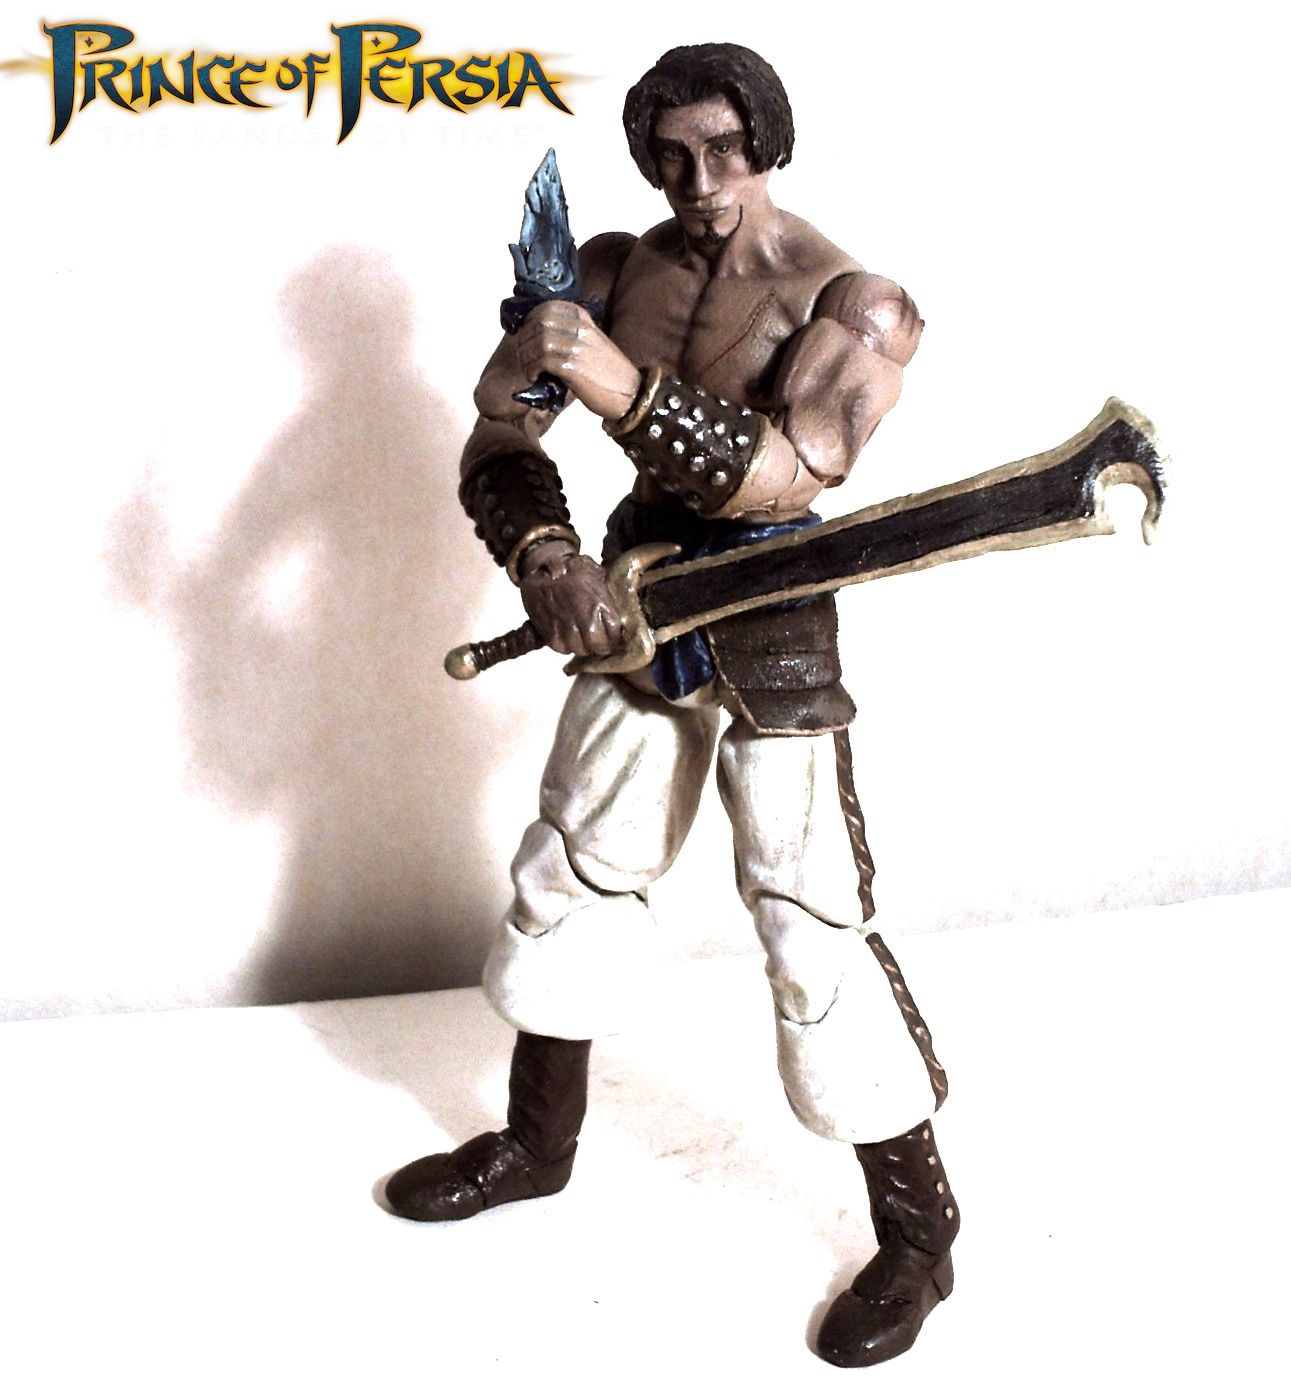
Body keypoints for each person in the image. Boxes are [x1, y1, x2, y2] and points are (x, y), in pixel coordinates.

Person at [386, 43, 958, 1368]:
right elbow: (498, 437)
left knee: (810, 919)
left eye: (724, 152)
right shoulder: (606, 274)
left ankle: (921, 1233)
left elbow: (788, 469)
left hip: (769, 616)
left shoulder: (852, 301)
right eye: (672, 156)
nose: (699, 181)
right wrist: (547, 558)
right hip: (634, 607)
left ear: (770, 147)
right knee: (571, 875)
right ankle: (539, 1143)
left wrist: (618, 385)